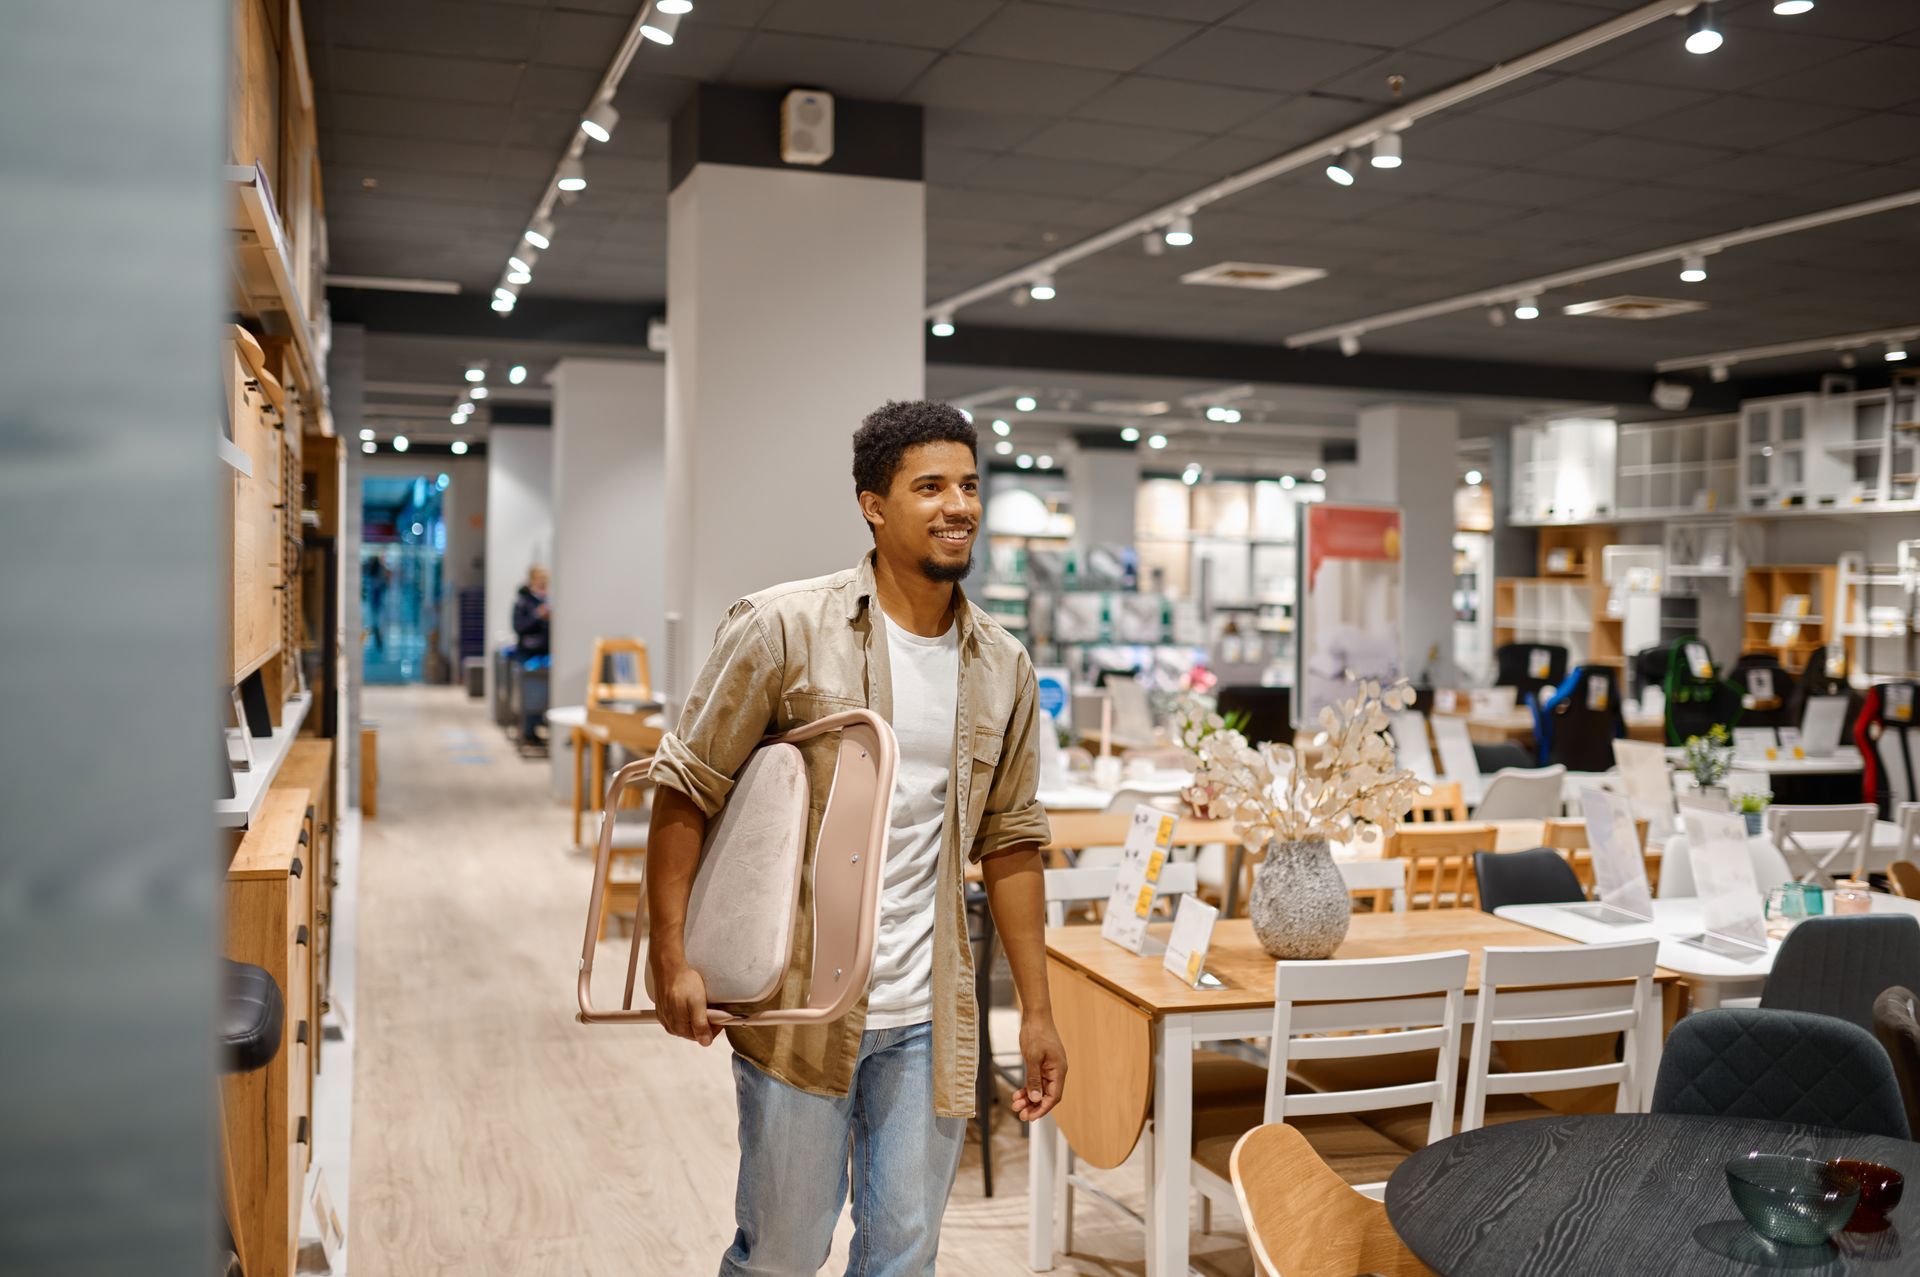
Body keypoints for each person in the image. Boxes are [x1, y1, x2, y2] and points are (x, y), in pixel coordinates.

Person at [645, 400, 1066, 1276]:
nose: (959, 505)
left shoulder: (1003, 664)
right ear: (874, 505)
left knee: (903, 1255)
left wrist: (1037, 1009)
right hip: (803, 1005)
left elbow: (1014, 843)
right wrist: (669, 952)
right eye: (931, 486)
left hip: (930, 1014)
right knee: (782, 1255)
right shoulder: (783, 628)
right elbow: (686, 788)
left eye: (969, 485)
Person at [511, 566, 550, 660]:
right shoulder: (523, 601)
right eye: (540, 579)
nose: (542, 582)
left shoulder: (547, 601)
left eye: (545, 579)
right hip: (529, 651)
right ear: (532, 581)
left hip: (547, 649)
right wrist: (537, 615)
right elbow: (519, 627)